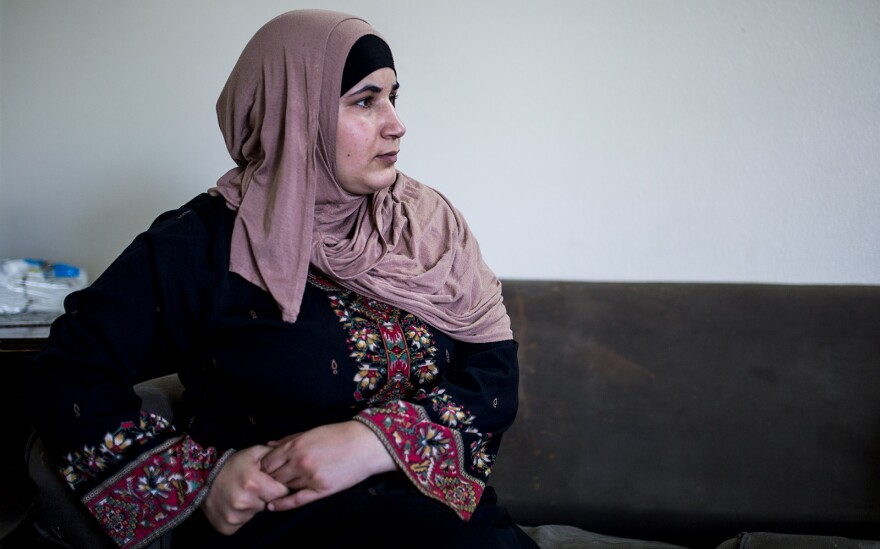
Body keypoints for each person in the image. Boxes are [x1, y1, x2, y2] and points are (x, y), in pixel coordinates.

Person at [25, 9, 536, 548]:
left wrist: (373, 442)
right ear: (295, 113)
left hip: (456, 526)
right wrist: (202, 478)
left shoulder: (424, 226)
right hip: (287, 529)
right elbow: (65, 375)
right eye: (365, 101)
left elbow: (494, 375)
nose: (395, 123)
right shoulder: (200, 245)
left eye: (393, 97)